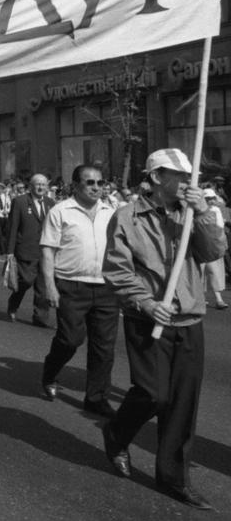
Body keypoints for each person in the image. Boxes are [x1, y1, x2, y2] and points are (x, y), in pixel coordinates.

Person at [101, 149, 226, 510]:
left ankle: (174, 477)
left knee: (183, 403)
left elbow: (214, 251)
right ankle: (117, 432)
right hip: (148, 319)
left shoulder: (192, 214)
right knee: (155, 394)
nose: (190, 183)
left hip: (188, 318)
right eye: (181, 176)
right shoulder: (127, 217)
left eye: (192, 177)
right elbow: (117, 271)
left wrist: (201, 213)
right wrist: (147, 302)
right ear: (157, 178)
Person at [38, 163, 118, 417]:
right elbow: (48, 250)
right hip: (71, 285)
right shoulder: (61, 211)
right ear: (75, 185)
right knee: (70, 339)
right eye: (89, 182)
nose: (96, 187)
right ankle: (50, 372)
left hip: (105, 287)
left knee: (103, 347)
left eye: (99, 182)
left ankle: (96, 397)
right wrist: (50, 286)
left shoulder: (112, 211)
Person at [5, 173, 54, 326]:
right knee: (25, 281)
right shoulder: (19, 202)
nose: (40, 187)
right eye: (37, 184)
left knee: (43, 286)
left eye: (43, 185)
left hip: (45, 251)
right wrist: (10, 252)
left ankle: (40, 317)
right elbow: (13, 227)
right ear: (31, 186)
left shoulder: (50, 203)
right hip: (25, 250)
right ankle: (13, 303)